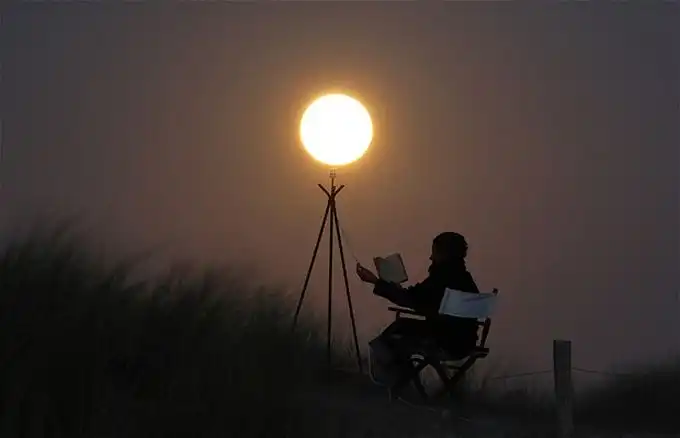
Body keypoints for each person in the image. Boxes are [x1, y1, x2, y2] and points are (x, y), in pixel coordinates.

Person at [356, 232, 480, 385]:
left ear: (444, 254)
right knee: (401, 327)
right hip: (465, 343)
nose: (431, 258)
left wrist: (376, 282)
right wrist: (401, 293)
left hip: (445, 343)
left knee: (396, 333)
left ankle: (391, 380)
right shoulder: (465, 280)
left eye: (434, 253)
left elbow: (413, 299)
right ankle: (400, 381)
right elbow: (421, 300)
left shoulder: (442, 278)